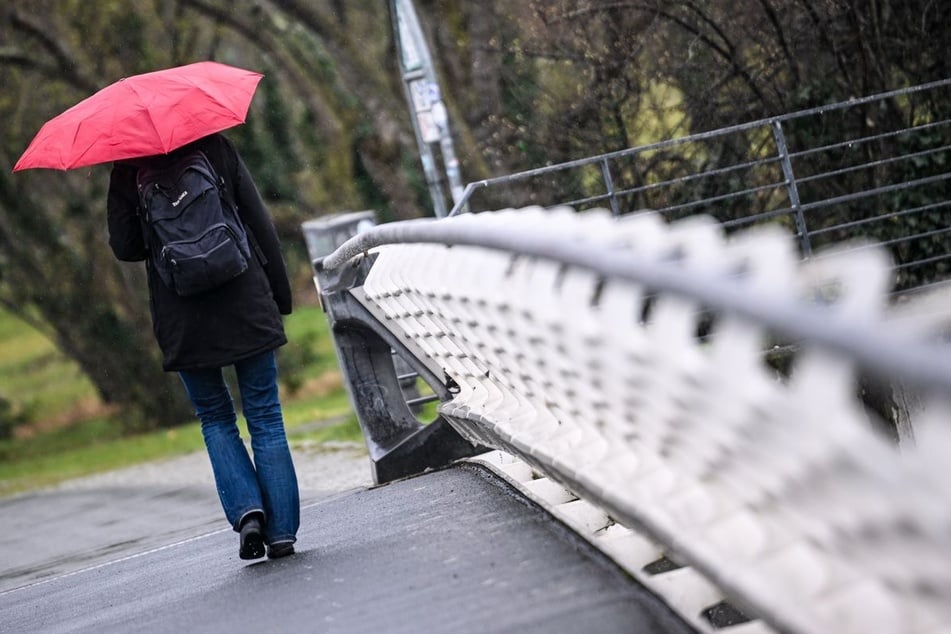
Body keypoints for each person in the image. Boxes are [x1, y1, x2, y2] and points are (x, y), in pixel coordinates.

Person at [106, 132, 300, 561]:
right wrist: (280, 296)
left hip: (182, 311)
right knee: (265, 414)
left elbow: (125, 247)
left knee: (215, 418)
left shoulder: (127, 167)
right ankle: (282, 531)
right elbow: (257, 219)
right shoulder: (215, 146)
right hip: (243, 296)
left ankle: (248, 512)